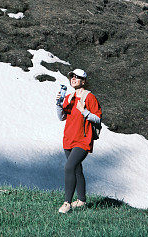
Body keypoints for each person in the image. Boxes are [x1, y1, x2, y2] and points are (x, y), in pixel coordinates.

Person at [55, 68, 102, 214]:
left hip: (83, 140)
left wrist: (84, 111)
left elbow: (98, 119)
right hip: (68, 138)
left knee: (69, 167)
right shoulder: (69, 96)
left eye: (76, 77)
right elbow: (61, 117)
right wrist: (58, 104)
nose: (73, 79)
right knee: (76, 169)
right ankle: (81, 201)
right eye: (71, 76)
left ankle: (67, 203)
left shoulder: (90, 97)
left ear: (83, 81)